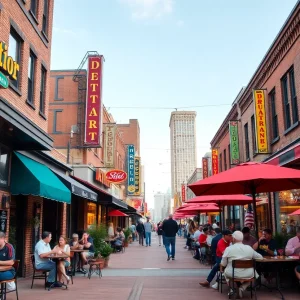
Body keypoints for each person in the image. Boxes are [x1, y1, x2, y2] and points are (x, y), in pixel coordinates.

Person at [221, 231, 263, 299]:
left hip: (233, 273)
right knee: (254, 275)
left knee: (225, 273)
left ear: (234, 239)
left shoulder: (229, 249)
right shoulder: (249, 248)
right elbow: (260, 257)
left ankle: (232, 289)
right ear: (242, 239)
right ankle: (242, 288)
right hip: (248, 273)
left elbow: (223, 264)